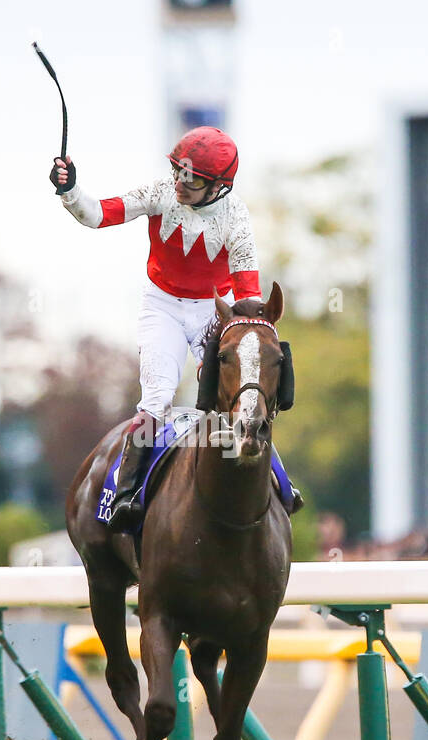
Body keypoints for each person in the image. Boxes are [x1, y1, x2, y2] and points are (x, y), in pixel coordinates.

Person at [51, 126, 298, 531]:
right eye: (178, 172)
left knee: (241, 393)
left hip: (212, 311)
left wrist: (251, 329)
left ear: (218, 186)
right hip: (161, 305)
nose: (180, 183)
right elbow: (97, 215)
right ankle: (125, 494)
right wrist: (71, 189)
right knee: (157, 398)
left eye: (192, 178)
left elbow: (247, 290)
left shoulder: (237, 217)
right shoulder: (159, 193)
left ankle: (280, 484)